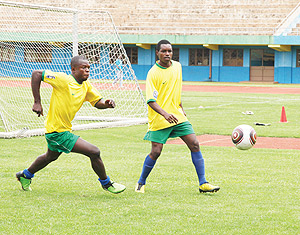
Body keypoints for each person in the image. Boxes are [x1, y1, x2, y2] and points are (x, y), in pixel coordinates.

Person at [16, 55, 126, 194]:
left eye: (88, 68)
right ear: (73, 69)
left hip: (62, 130)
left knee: (51, 156)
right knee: (94, 152)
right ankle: (107, 183)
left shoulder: (86, 86)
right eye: (83, 68)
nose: (87, 70)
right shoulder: (64, 80)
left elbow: (97, 102)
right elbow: (37, 74)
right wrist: (37, 102)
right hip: (57, 132)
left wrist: (107, 104)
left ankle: (25, 175)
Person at [135, 40, 220, 194]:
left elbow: (175, 90)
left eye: (170, 51)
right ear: (157, 53)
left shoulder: (178, 66)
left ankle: (203, 183)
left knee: (194, 144)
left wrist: (181, 108)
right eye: (164, 51)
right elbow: (151, 101)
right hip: (160, 117)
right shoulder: (153, 73)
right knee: (156, 151)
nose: (167, 54)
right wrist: (165, 114)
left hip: (177, 116)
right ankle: (141, 182)